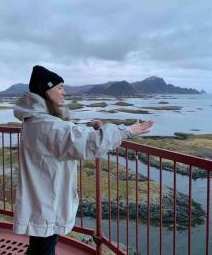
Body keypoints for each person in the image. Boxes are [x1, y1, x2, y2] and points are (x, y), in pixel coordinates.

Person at [13, 65, 153, 255]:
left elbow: (65, 132)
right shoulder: (45, 125)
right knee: (43, 248)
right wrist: (128, 130)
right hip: (47, 200)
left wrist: (88, 125)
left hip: (42, 198)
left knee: (40, 246)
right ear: (45, 90)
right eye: (60, 87)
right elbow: (84, 141)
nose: (64, 92)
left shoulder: (34, 119)